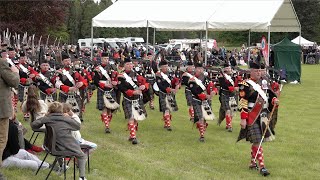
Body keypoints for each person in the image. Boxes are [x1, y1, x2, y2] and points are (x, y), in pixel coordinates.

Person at [237, 62, 279, 176]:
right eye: (256, 71)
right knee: (257, 140)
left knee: (259, 140)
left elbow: (271, 95)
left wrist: (274, 100)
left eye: (260, 71)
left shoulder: (264, 83)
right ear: (251, 71)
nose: (259, 73)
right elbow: (242, 102)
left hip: (263, 116)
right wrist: (243, 118)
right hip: (252, 115)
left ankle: (252, 163)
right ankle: (262, 167)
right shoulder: (244, 84)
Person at [31, 102, 87, 180]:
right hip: (64, 148)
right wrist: (70, 117)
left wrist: (45, 117)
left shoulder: (47, 118)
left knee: (57, 144)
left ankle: (62, 166)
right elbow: (77, 126)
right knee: (82, 155)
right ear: (61, 110)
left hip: (51, 147)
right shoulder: (66, 118)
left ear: (49, 110)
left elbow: (33, 126)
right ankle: (82, 177)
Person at [117, 57, 148, 144]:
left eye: (130, 64)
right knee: (131, 117)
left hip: (137, 99)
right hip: (128, 98)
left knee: (136, 118)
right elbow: (121, 88)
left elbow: (145, 82)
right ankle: (134, 137)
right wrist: (133, 92)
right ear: (124, 66)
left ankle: (131, 135)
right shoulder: (121, 76)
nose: (130, 66)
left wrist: (144, 86)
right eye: (127, 64)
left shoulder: (137, 73)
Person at [0, 49, 20, 178]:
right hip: (1, 110)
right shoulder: (1, 63)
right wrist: (16, 72)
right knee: (1, 139)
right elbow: (14, 81)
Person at [188, 62, 217, 142]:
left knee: (204, 118)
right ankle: (202, 135)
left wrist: (214, 91)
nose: (200, 70)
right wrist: (205, 96)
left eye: (201, 69)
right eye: (198, 69)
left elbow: (212, 86)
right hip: (197, 100)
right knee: (200, 117)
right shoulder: (192, 79)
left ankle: (202, 131)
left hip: (206, 102)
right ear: (195, 69)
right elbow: (194, 91)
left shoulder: (206, 78)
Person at [93, 52, 119, 133]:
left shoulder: (113, 67)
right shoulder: (97, 68)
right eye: (105, 58)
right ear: (101, 59)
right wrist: (103, 86)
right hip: (102, 89)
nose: (106, 60)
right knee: (104, 108)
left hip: (111, 89)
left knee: (110, 109)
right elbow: (96, 81)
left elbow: (116, 77)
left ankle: (107, 122)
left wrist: (115, 82)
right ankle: (107, 126)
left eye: (107, 58)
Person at [155, 60, 179, 131]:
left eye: (166, 66)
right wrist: (169, 89)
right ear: (161, 68)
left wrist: (177, 85)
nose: (166, 67)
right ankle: (168, 125)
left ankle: (166, 123)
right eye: (164, 66)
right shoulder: (158, 74)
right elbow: (160, 85)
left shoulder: (170, 73)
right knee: (166, 109)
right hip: (163, 93)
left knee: (168, 108)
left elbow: (175, 80)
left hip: (170, 94)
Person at [217, 63, 239, 132]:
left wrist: (237, 87)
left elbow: (238, 82)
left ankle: (228, 124)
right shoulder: (221, 76)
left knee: (233, 110)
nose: (228, 69)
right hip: (225, 94)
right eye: (227, 68)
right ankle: (229, 126)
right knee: (228, 110)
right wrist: (233, 88)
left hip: (233, 94)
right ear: (224, 69)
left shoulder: (234, 76)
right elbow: (223, 85)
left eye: (229, 68)